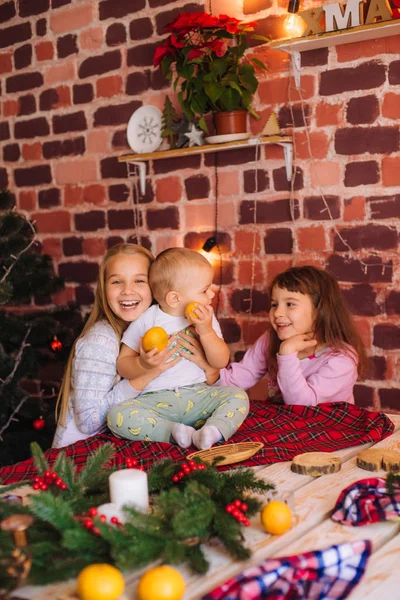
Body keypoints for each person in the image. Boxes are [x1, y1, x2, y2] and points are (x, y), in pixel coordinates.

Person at [108, 247, 249, 450]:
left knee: (238, 396)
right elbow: (123, 364)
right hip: (155, 401)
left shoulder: (205, 319)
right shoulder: (147, 319)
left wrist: (207, 331)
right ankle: (173, 432)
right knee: (116, 416)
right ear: (174, 298)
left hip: (198, 395)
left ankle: (212, 431)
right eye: (204, 290)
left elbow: (220, 362)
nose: (211, 293)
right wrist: (142, 363)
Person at [53, 243, 180, 448]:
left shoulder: (152, 330)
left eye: (139, 280)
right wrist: (148, 373)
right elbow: (88, 422)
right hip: (77, 458)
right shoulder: (100, 340)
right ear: (104, 289)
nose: (127, 290)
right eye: (117, 281)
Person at [213, 265, 367, 406]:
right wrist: (206, 369)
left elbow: (302, 406)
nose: (277, 313)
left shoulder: (341, 358)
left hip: (324, 424)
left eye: (290, 304)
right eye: (274, 305)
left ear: (320, 310)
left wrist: (287, 354)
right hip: (285, 420)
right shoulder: (269, 339)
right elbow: (236, 380)